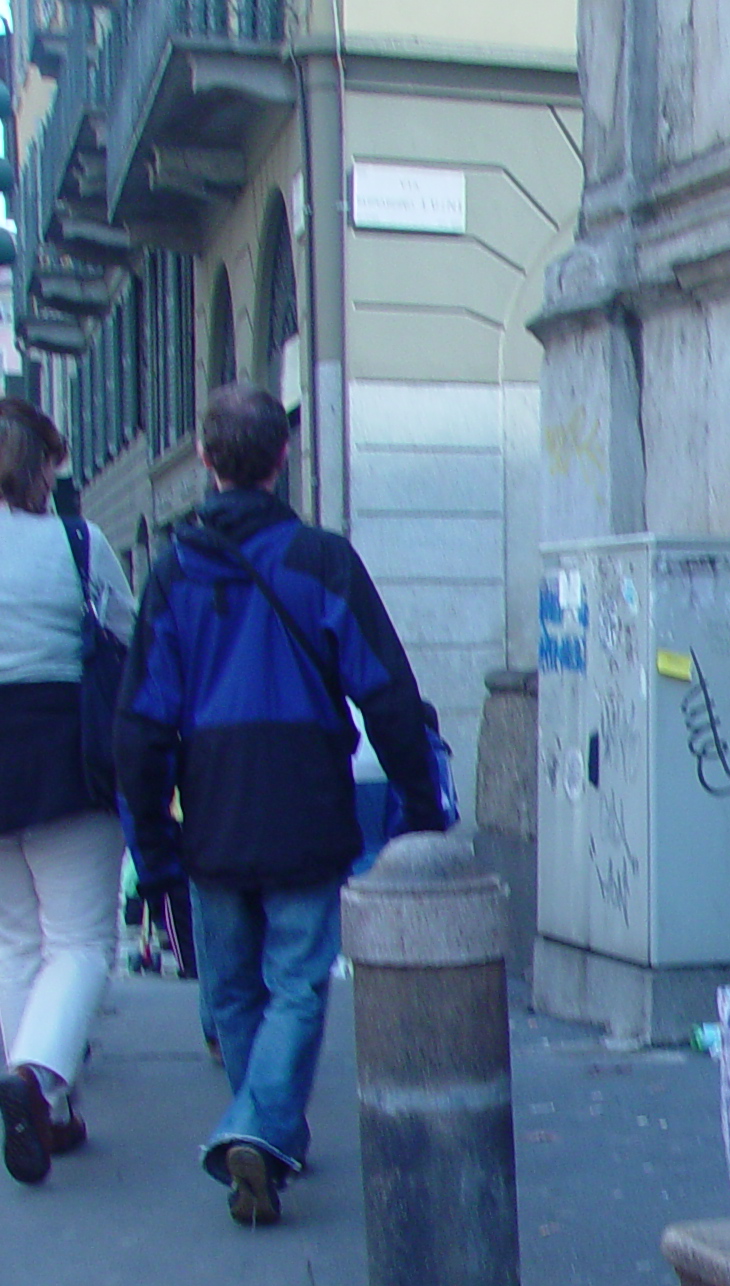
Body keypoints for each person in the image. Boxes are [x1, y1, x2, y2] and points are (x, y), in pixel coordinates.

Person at [116, 385, 446, 1226]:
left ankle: (260, 1129)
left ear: (204, 459)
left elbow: (143, 725)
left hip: (215, 808)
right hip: (305, 800)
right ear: (281, 458)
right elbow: (387, 690)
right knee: (298, 982)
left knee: (232, 991)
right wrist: (418, 800)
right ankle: (263, 1130)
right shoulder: (321, 561)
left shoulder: (173, 571)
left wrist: (153, 848)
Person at [0, 399, 137, 1185]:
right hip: (64, 757)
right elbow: (121, 632)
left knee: (15, 942)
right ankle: (37, 1081)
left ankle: (45, 1115)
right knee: (81, 942)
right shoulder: (77, 542)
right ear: (42, 464)